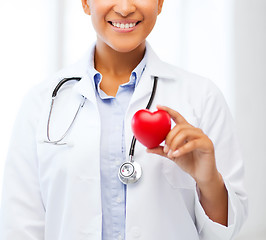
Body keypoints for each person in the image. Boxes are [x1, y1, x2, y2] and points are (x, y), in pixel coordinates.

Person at [0, 0, 247, 239]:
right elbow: (20, 226)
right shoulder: (41, 102)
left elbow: (226, 231)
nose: (126, 8)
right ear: (86, 3)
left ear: (160, 3)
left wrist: (208, 180)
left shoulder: (202, 97)